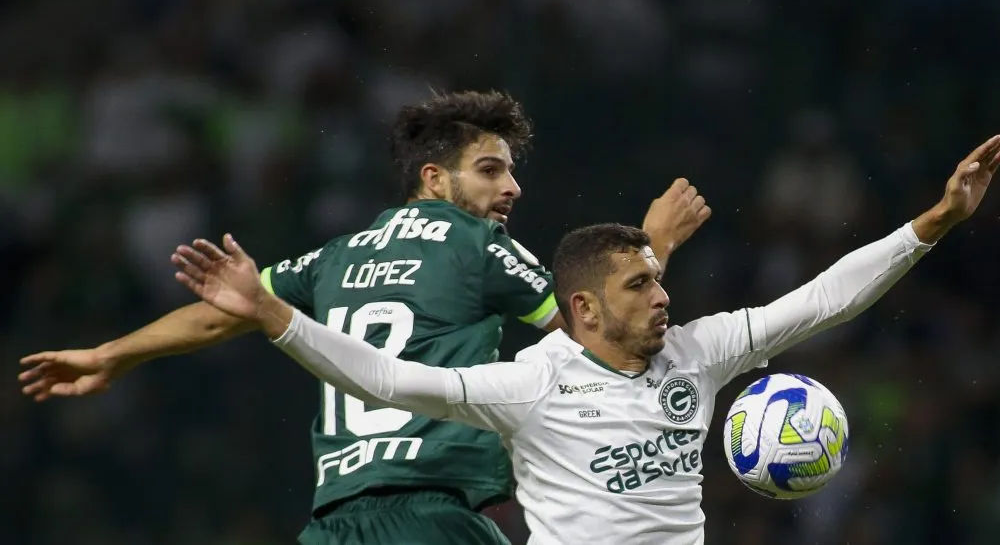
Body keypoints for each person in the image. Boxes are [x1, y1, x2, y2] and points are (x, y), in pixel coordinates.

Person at [169, 129, 1000, 545]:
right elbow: (388, 380)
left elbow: (824, 300)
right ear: (583, 309)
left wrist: (934, 220)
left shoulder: (698, 350)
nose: (662, 296)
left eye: (660, 277)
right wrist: (275, 315)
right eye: (640, 284)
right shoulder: (532, 382)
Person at [18, 90, 710, 545]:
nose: (512, 187)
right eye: (491, 170)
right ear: (435, 179)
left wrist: (112, 353)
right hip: (433, 515)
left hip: (332, 523)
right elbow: (597, 338)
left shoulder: (334, 257)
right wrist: (656, 246)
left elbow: (219, 314)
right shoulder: (480, 247)